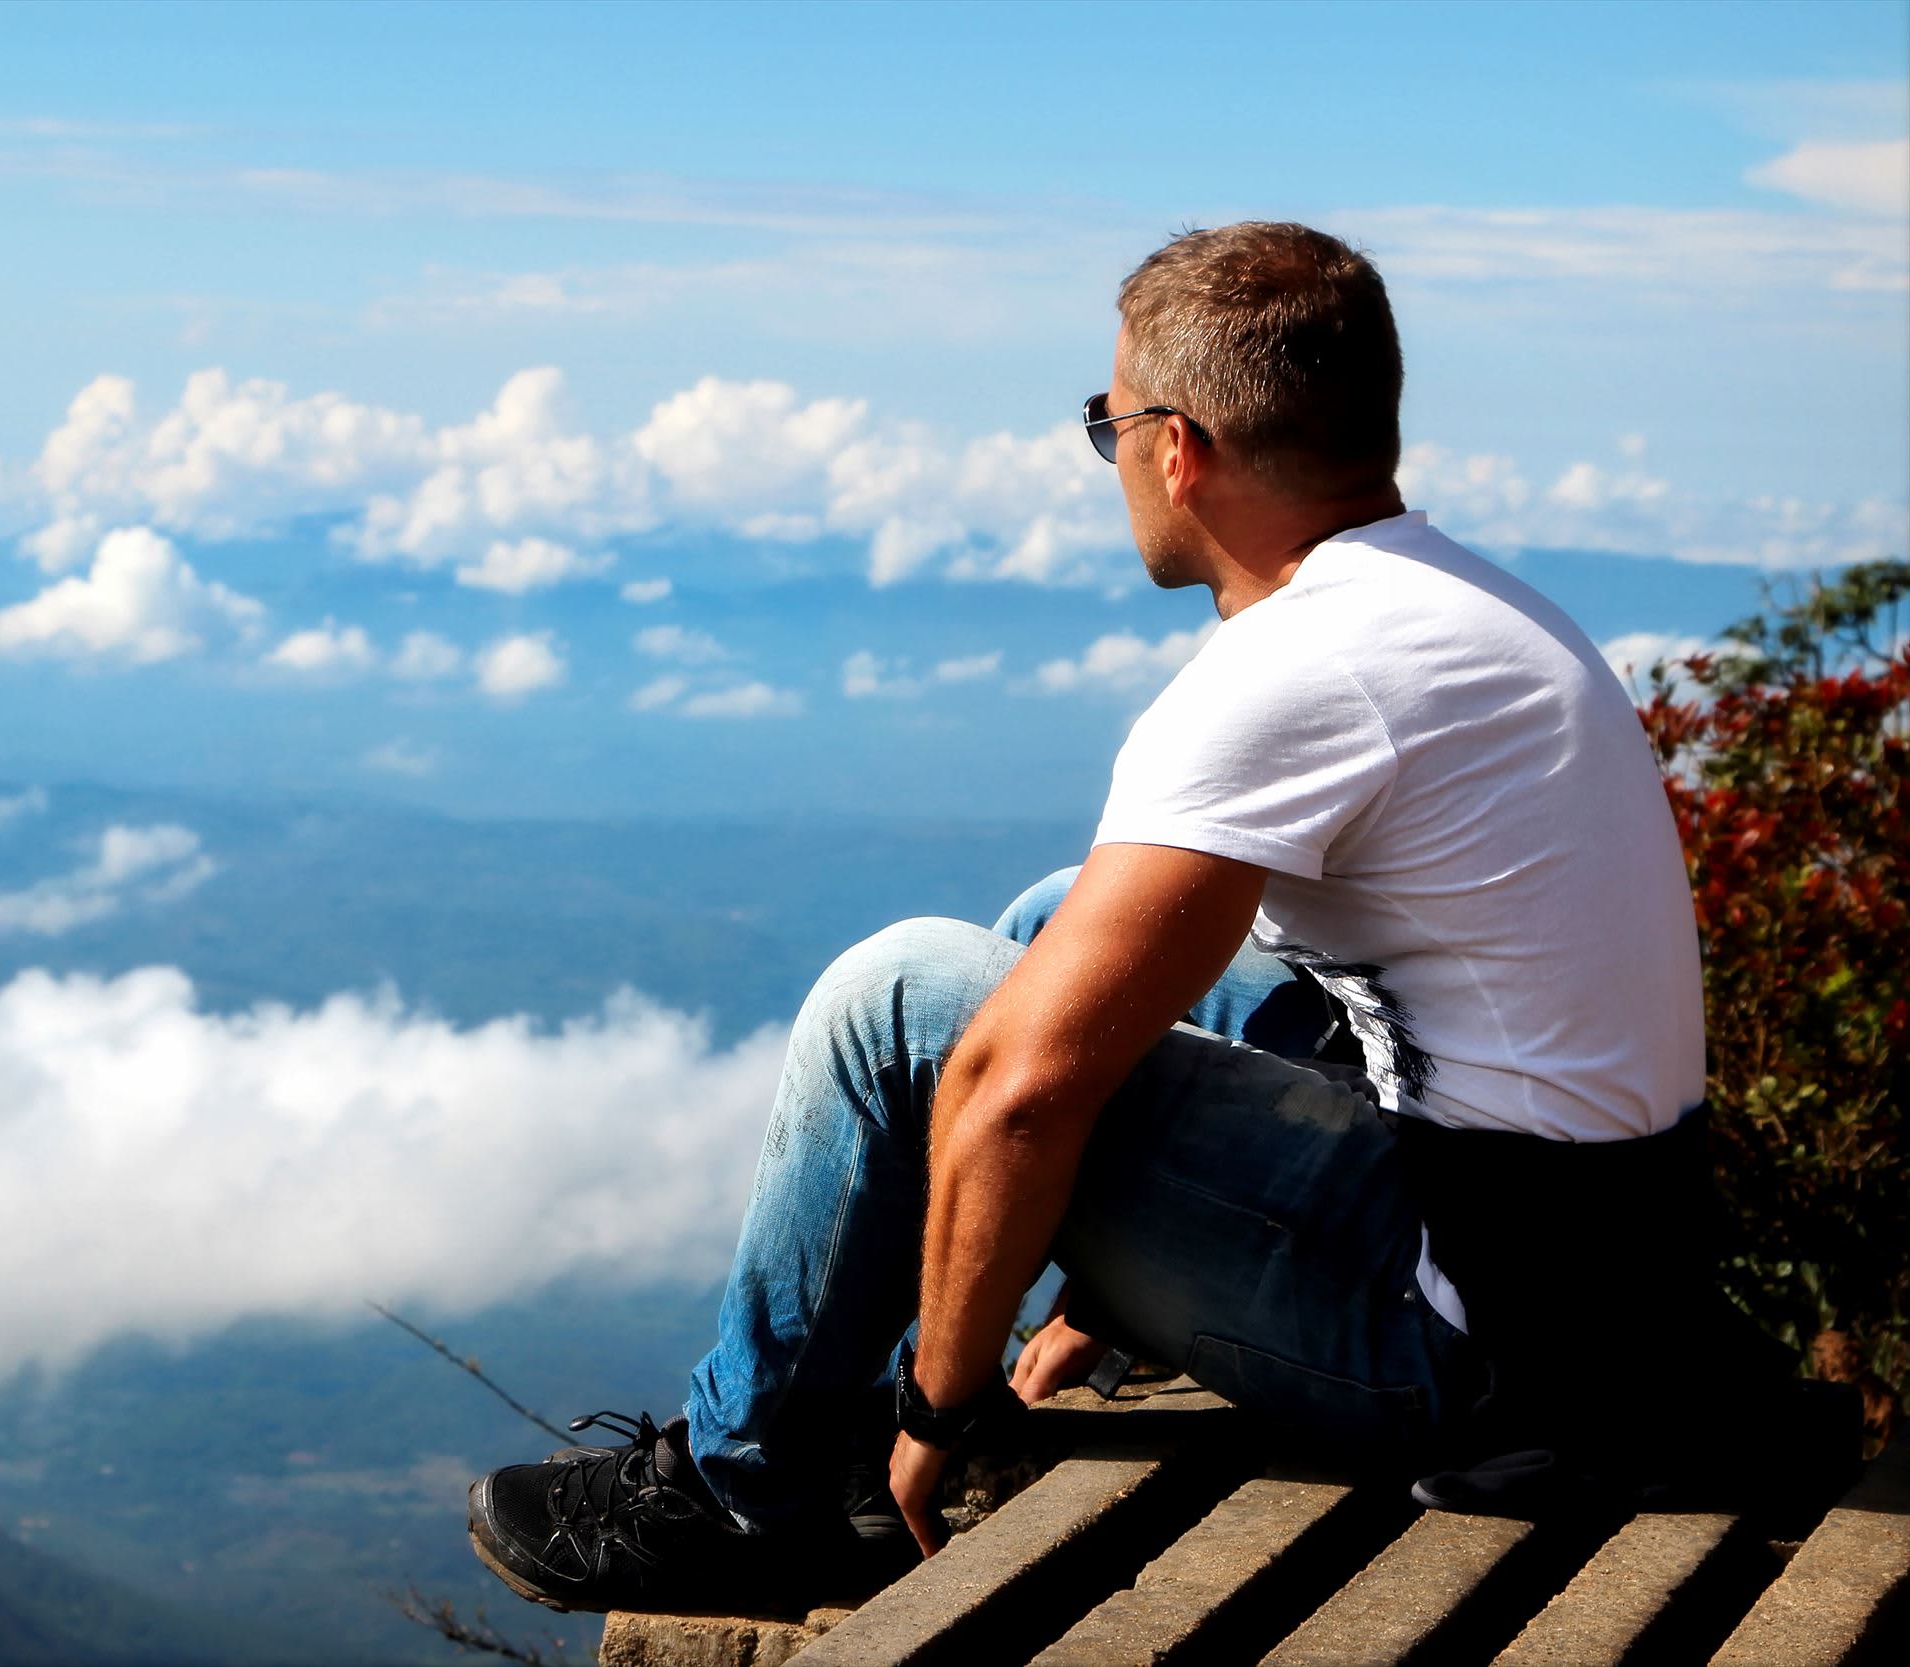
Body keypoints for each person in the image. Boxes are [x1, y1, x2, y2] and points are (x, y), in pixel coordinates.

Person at [465, 221, 1811, 1619]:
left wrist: (943, 1401)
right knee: (1060, 926)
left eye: (1107, 425)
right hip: (1597, 1281)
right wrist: (1099, 1292)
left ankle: (754, 1493)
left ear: (1180, 448)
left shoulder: (1298, 667)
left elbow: (1013, 1091)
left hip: (1481, 1355)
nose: (1112, 460)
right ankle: (852, 1416)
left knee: (906, 1008)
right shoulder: (1463, 602)